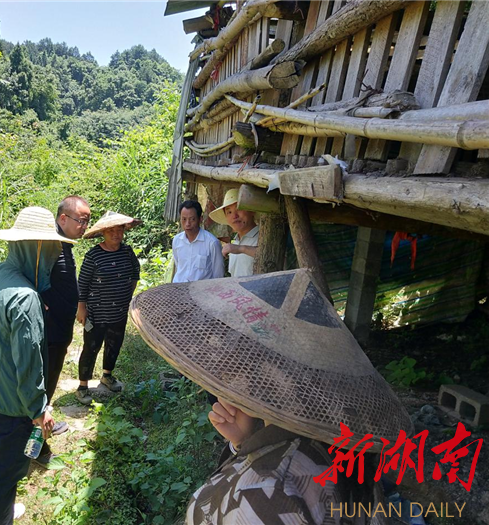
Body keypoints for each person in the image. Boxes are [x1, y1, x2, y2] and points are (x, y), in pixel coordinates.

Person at [129, 269, 414, 524]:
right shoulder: (338, 445)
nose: (225, 370)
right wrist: (244, 443)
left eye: (237, 359)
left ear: (264, 376)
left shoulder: (266, 491)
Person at [0, 207, 75, 524]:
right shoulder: (25, 297)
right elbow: (29, 362)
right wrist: (38, 409)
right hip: (12, 404)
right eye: (51, 248)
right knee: (4, 472)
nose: (53, 255)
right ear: (36, 248)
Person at [37, 195, 91, 463]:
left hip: (60, 331)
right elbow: (34, 282)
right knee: (42, 389)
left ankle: (42, 430)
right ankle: (37, 448)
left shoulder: (64, 245)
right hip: (50, 332)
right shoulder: (48, 246)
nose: (84, 226)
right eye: (81, 220)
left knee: (49, 384)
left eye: (87, 221)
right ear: (63, 219)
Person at [74, 211, 141, 405]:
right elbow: (83, 284)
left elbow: (135, 275)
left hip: (119, 312)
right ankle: (83, 386)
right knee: (91, 348)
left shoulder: (127, 252)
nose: (115, 234)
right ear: (103, 232)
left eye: (119, 229)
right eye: (111, 230)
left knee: (114, 344)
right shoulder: (93, 255)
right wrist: (81, 309)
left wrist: (125, 297)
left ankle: (107, 376)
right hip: (96, 313)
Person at [209, 187, 259, 277]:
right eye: (229, 212)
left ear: (251, 211)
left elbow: (271, 258)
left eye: (239, 209)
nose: (234, 216)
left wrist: (241, 249)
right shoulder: (235, 242)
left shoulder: (263, 237)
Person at [172, 200, 223, 283]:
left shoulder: (212, 243)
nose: (187, 224)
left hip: (201, 292)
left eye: (192, 219)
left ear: (200, 219)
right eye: (184, 219)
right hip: (178, 288)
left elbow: (218, 275)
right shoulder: (177, 241)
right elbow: (179, 266)